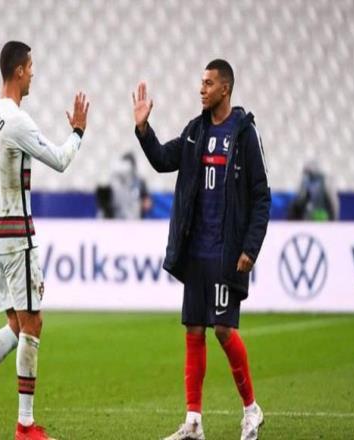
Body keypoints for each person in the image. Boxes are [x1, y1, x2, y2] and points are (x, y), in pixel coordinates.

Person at [0, 41, 89, 440]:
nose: (34, 74)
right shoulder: (16, 120)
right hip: (17, 238)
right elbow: (60, 159)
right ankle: (25, 426)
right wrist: (78, 132)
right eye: (31, 67)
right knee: (33, 323)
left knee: (15, 322)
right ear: (20, 70)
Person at [132, 59, 270, 440]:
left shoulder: (245, 134)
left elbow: (262, 196)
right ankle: (193, 421)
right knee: (194, 329)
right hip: (196, 251)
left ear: (225, 88)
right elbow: (163, 160)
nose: (201, 89)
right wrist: (143, 129)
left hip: (228, 252)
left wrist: (250, 247)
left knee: (223, 330)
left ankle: (251, 410)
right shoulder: (196, 131)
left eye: (208, 83)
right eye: (201, 83)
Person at [96, 152, 152, 219]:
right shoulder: (115, 181)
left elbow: (147, 203)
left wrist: (138, 204)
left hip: (134, 216)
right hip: (117, 216)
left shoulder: (139, 182)